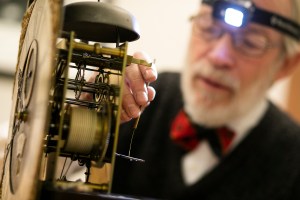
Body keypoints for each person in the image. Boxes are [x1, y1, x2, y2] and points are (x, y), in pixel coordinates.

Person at [113, 0, 300, 199]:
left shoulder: (294, 162)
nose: (219, 56)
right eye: (208, 28)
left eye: (250, 43)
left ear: (286, 65)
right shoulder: (141, 98)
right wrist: (90, 112)